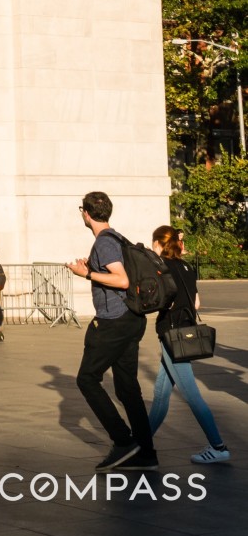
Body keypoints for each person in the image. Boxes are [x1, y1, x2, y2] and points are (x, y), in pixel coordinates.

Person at [68, 190, 156, 470]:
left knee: (87, 379)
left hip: (114, 322)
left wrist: (86, 273)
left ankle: (123, 441)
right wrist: (92, 269)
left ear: (85, 213)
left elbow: (122, 280)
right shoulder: (117, 238)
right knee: (127, 388)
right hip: (131, 319)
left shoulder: (105, 242)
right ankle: (146, 455)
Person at [148, 224, 229, 465]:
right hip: (184, 332)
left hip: (172, 334)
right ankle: (140, 443)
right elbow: (196, 304)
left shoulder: (162, 267)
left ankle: (218, 446)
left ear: (158, 243)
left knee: (191, 394)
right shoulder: (186, 267)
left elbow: (159, 301)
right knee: (161, 393)